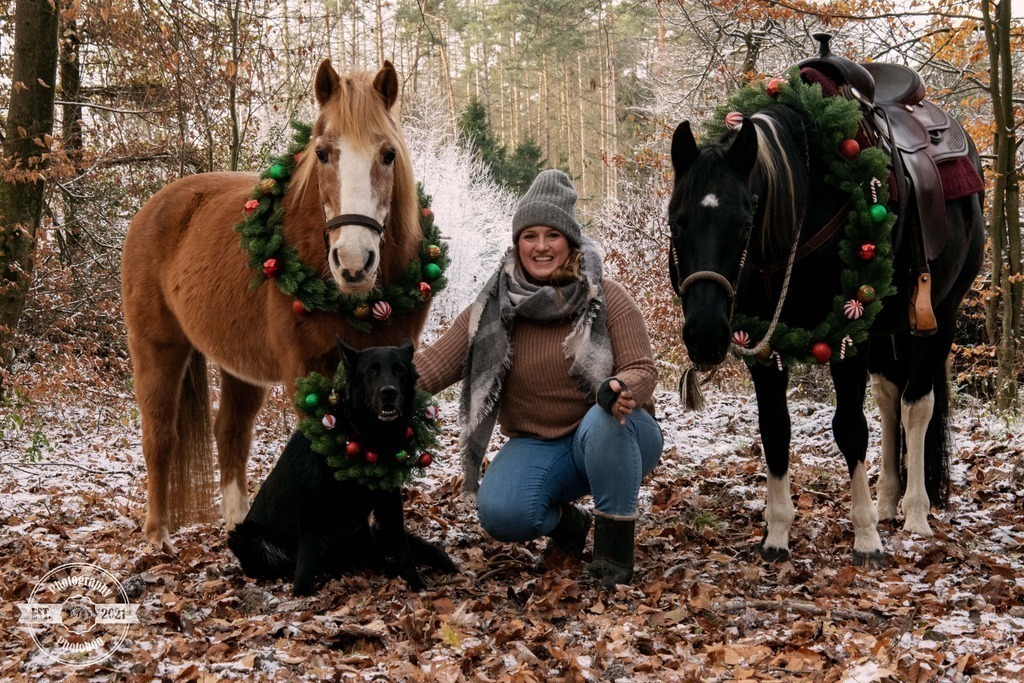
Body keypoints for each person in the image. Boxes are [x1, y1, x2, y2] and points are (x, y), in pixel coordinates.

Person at [415, 169, 663, 587]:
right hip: (539, 443)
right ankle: (570, 524)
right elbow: (437, 363)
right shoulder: (494, 306)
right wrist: (370, 383)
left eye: (553, 235)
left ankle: (613, 555)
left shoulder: (606, 295)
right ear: (517, 243)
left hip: (619, 433)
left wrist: (620, 389)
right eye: (530, 235)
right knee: (501, 514)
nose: (541, 246)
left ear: (570, 241)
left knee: (603, 419)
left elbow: (644, 368)